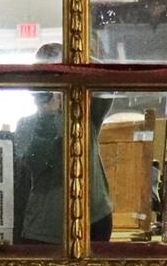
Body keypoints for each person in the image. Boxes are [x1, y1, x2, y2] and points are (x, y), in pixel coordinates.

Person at [14, 43, 112, 244]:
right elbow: (35, 165)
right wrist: (46, 117)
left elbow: (107, 77)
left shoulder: (85, 113)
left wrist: (70, 62)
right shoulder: (26, 125)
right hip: (46, 228)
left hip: (94, 218)